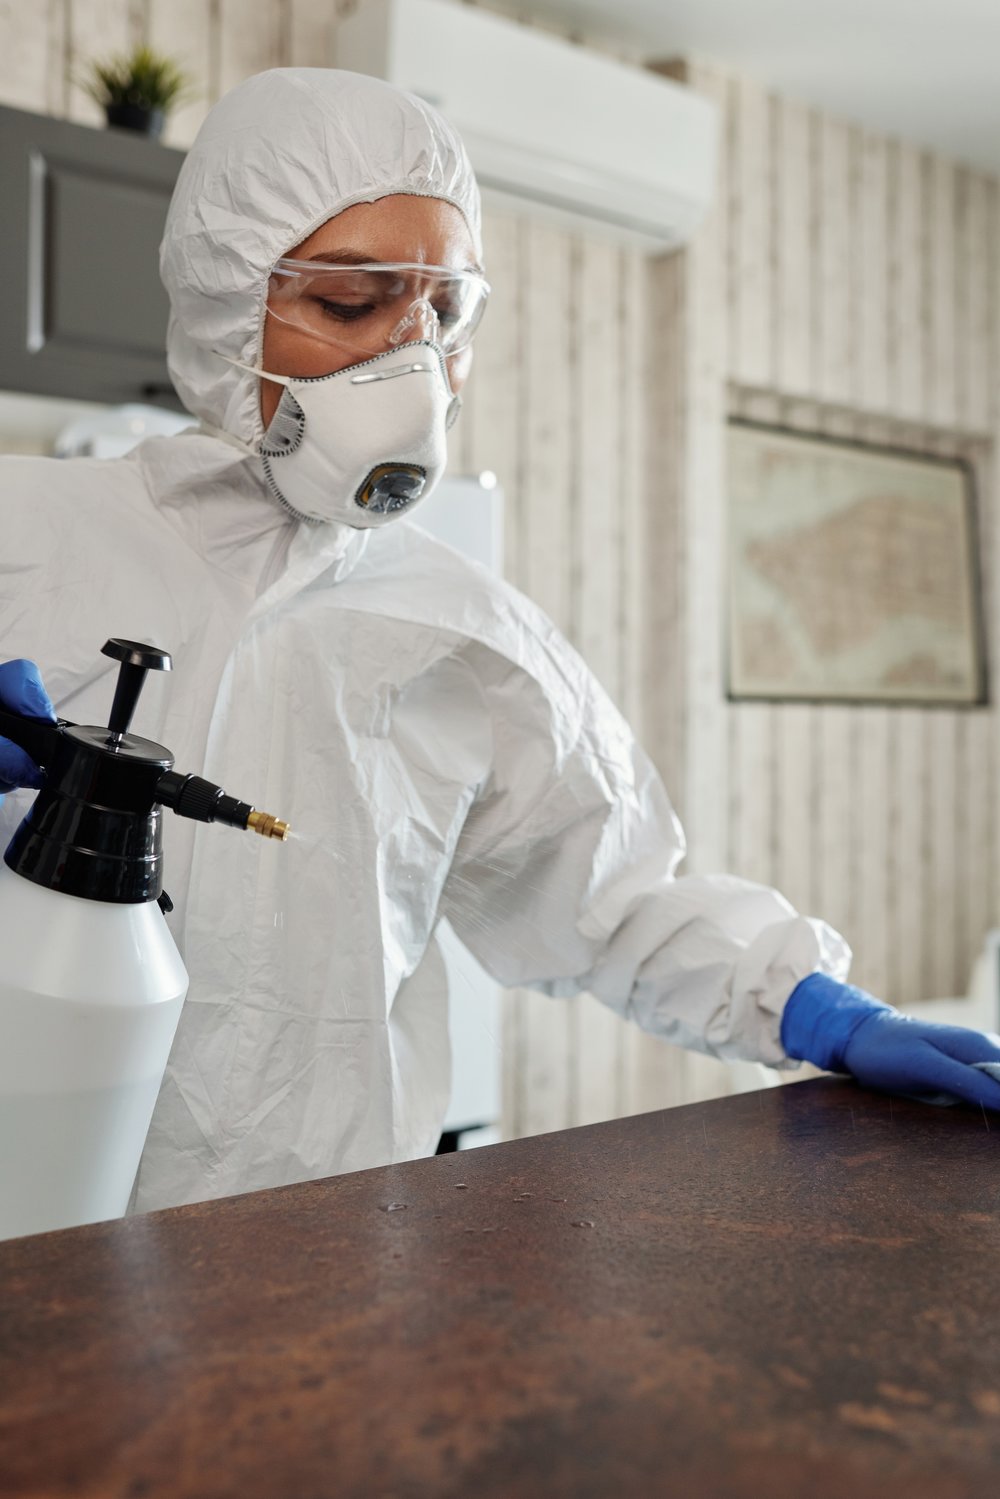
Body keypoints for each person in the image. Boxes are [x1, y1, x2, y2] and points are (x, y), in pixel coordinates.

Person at [1, 70, 998, 1216]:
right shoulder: (28, 539)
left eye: (444, 315)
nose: (409, 361)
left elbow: (615, 898)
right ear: (227, 305)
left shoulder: (462, 627)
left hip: (312, 1253)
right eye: (351, 302)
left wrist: (819, 1010)